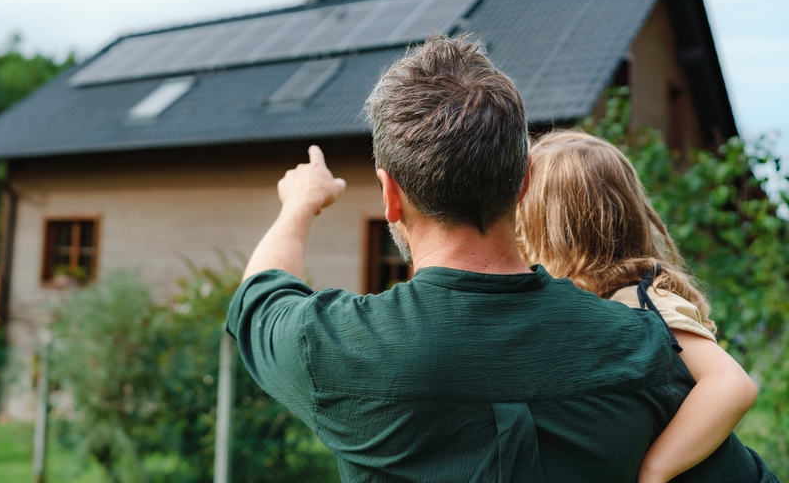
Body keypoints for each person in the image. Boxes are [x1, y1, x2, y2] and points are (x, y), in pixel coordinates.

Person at [226, 34, 775, 481]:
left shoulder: (334, 346)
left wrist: (300, 205)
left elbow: (261, 291)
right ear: (523, 181)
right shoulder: (643, 347)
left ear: (389, 195)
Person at [515, 130, 770, 483]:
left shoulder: (642, 300)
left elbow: (731, 384)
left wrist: (655, 470)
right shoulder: (598, 302)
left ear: (548, 229)